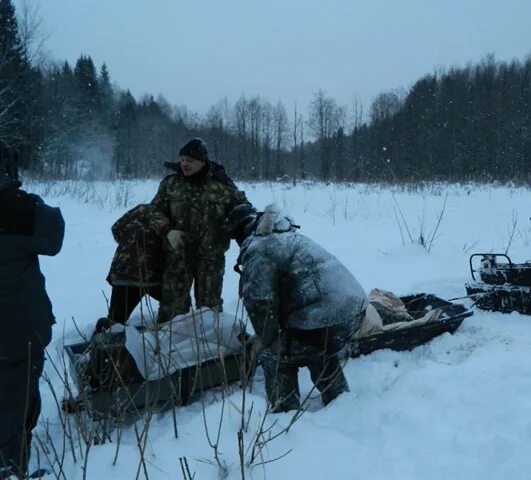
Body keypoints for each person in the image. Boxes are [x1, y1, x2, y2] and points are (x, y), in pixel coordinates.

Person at [225, 203, 367, 413]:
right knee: (317, 349)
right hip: (353, 310)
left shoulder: (259, 249)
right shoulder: (289, 236)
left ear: (240, 232)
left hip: (321, 318)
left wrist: (263, 341)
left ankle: (285, 410)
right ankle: (339, 399)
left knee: (276, 355)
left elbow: (260, 303)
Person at [0, 171, 64, 478]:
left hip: (16, 326)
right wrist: (22, 197)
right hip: (14, 329)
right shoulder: (18, 208)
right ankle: (9, 469)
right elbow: (53, 237)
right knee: (15, 406)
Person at [148, 138, 249, 324]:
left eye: (190, 161)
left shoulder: (221, 184)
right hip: (178, 257)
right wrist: (166, 230)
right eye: (183, 159)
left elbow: (243, 210)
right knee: (172, 309)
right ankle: (166, 348)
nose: (184, 164)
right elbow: (154, 211)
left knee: (209, 310)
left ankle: (208, 349)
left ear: (203, 162)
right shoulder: (170, 184)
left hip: (211, 258)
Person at [94, 203, 165, 333]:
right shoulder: (174, 216)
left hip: (123, 271)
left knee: (116, 320)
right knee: (174, 306)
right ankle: (164, 334)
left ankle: (101, 342)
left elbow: (116, 228)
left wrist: (130, 244)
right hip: (152, 275)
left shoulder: (141, 208)